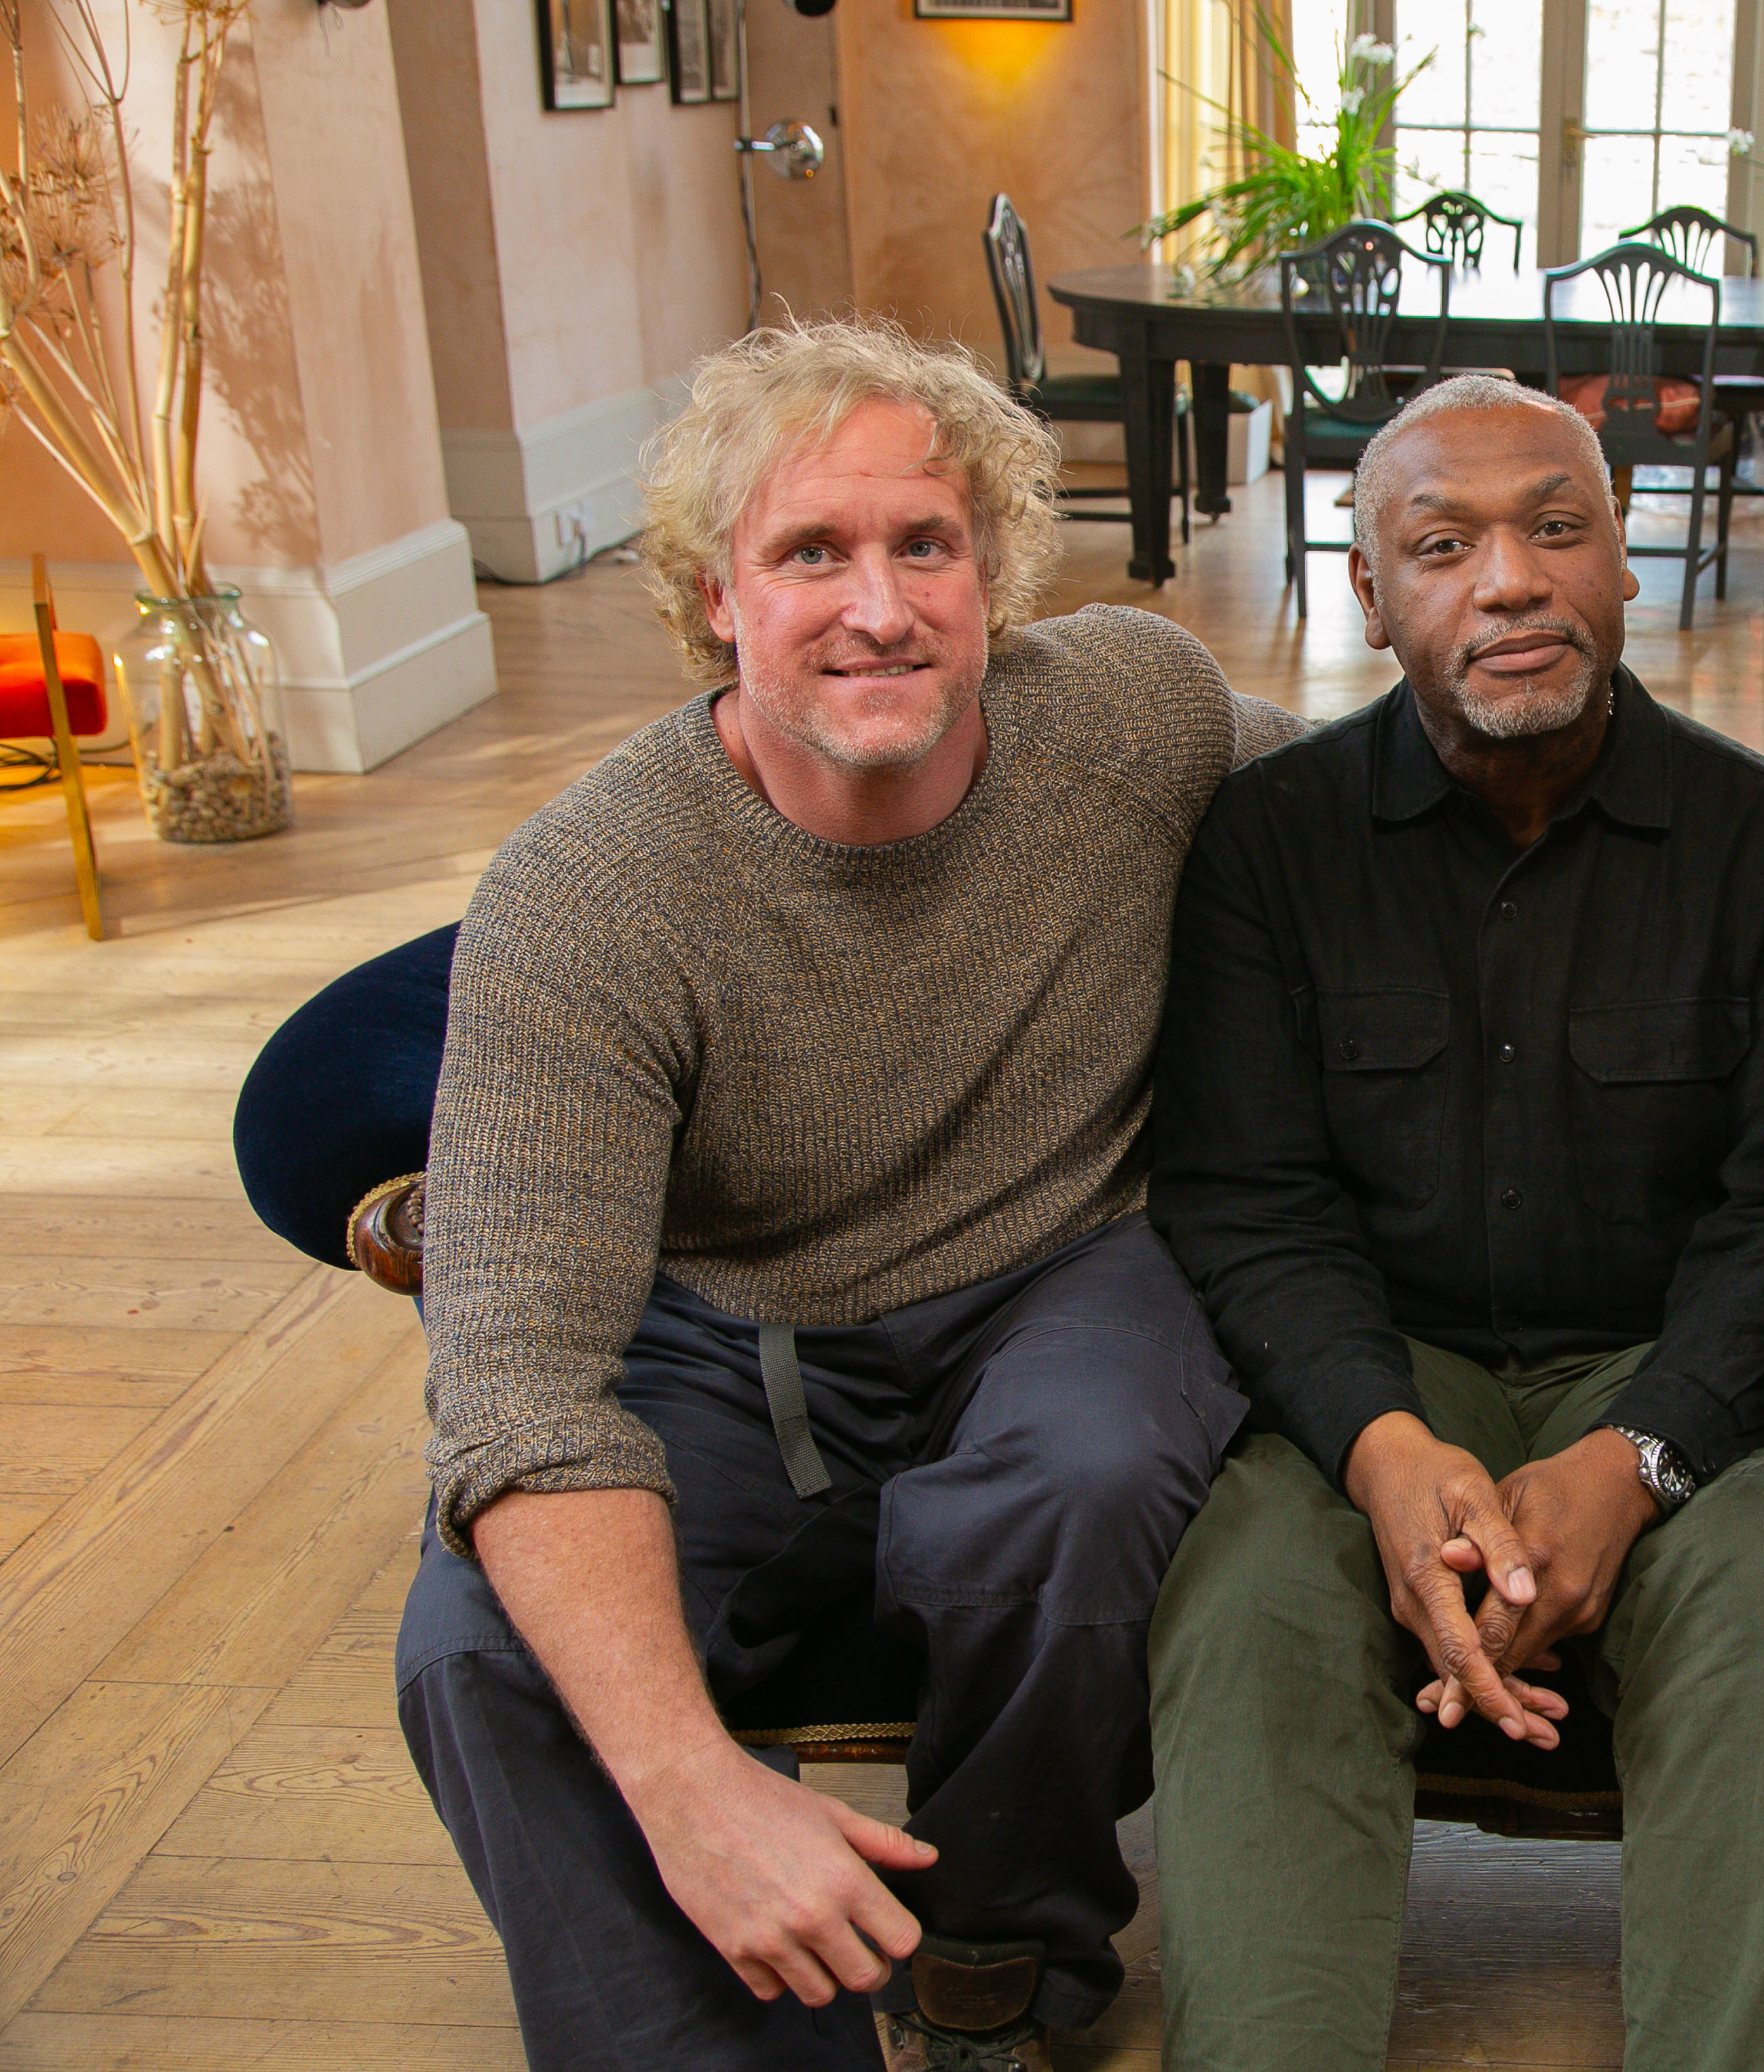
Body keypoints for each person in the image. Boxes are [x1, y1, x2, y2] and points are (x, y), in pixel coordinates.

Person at [396, 320, 1301, 2072]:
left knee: (1083, 1472)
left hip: (1061, 1267)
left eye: (923, 546)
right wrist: (685, 1781)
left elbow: (1374, 816)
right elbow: (513, 1383)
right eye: (810, 551)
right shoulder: (591, 892)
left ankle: (997, 1950)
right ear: (715, 595)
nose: (877, 606)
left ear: (994, 574)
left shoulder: (1133, 711)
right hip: (730, 1324)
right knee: (479, 1650)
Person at [1143, 374, 1764, 2072]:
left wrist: (1639, 1457)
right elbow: (1249, 1200)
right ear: (1370, 593)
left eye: (1560, 528)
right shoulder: (1266, 845)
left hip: (1690, 1382)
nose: (1513, 580)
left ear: (1628, 566)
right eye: (1443, 544)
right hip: (1383, 1377)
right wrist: (1383, 1448)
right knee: (1248, 1596)